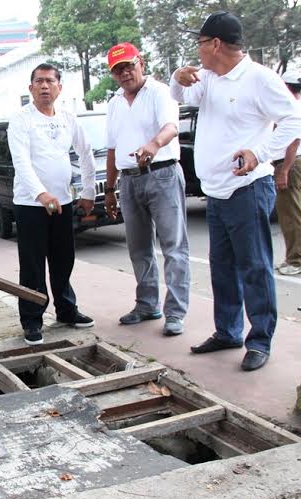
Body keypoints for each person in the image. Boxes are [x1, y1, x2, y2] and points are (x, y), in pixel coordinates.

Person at [170, 11, 301, 371]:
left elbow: (295, 119)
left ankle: (260, 340)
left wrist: (260, 152)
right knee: (222, 267)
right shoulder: (209, 78)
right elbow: (180, 94)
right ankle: (228, 331)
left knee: (254, 267)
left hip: (247, 188)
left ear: (215, 44)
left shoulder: (258, 78)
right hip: (216, 190)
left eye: (200, 43)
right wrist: (177, 76)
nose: (197, 51)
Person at [103, 43, 191, 337]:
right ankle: (147, 304)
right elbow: (113, 148)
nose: (125, 73)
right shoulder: (115, 103)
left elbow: (171, 127)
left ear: (140, 63)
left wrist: (153, 145)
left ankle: (175, 312)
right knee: (139, 247)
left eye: (129, 66)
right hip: (129, 180)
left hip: (162, 173)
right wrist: (110, 189)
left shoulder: (159, 92)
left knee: (173, 246)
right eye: (118, 69)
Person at [7, 63, 96, 345]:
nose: (44, 86)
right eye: (39, 81)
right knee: (32, 265)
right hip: (30, 205)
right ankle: (32, 320)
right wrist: (41, 194)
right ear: (30, 88)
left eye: (50, 81)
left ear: (59, 87)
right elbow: (21, 161)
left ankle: (67, 310)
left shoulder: (68, 118)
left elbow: (85, 152)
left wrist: (89, 192)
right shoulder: (21, 119)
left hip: (63, 202)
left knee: (63, 259)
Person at [274, 71, 301, 276]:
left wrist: (284, 170)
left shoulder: (295, 109)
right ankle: (293, 257)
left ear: (286, 87)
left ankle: (299, 259)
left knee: (292, 214)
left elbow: (293, 142)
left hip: (291, 163)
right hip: (295, 162)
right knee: (288, 213)